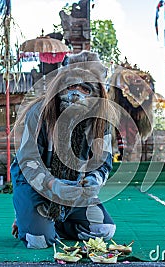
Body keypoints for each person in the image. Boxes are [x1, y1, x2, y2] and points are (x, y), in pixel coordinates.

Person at [10, 51, 116, 249]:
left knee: (104, 230)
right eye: (71, 85)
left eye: (85, 88)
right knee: (38, 241)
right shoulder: (39, 112)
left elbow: (103, 163)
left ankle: (55, 223)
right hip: (35, 185)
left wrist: (93, 182)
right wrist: (52, 185)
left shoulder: (100, 121)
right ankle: (29, 217)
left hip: (74, 187)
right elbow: (28, 162)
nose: (75, 93)